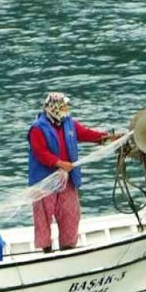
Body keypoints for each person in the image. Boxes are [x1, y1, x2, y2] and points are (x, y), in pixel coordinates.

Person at [27, 92, 117, 252]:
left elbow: (86, 134)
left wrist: (108, 138)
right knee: (43, 216)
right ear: (53, 108)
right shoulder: (37, 128)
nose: (65, 110)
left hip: (67, 179)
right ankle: (46, 251)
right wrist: (59, 163)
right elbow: (40, 152)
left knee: (70, 214)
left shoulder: (69, 124)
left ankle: (67, 248)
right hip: (44, 181)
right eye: (62, 107)